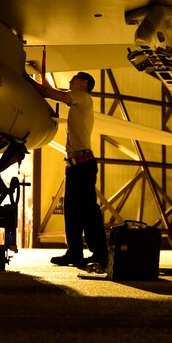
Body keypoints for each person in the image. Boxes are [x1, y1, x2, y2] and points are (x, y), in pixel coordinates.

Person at [28, 71, 108, 268]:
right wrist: (41, 80)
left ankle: (100, 253)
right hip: (75, 166)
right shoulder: (79, 99)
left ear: (84, 83)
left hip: (82, 165)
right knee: (72, 212)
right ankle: (74, 253)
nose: (71, 80)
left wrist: (26, 78)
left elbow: (52, 94)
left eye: (75, 78)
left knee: (87, 210)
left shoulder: (83, 97)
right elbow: (53, 92)